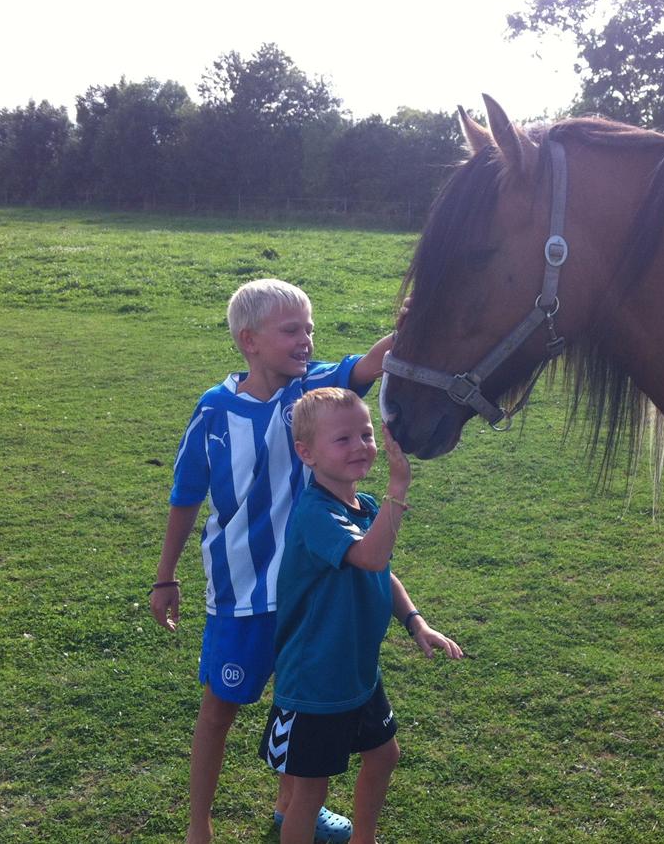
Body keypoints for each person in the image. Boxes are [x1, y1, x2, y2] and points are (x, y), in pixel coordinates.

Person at [150, 278, 396, 844]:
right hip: (240, 592)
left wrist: (408, 326)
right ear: (249, 340)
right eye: (292, 330)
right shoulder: (213, 412)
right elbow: (186, 496)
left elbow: (369, 367)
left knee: (302, 705)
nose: (306, 339)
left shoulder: (310, 392)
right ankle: (199, 825)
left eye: (309, 327)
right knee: (220, 709)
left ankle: (291, 807)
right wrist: (165, 576)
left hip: (309, 594)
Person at [259, 387, 462, 844]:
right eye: (343, 439)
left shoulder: (363, 507)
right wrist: (398, 489)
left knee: (384, 756)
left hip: (357, 674)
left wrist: (415, 622)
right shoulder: (314, 513)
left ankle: (362, 838)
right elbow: (370, 557)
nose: (360, 447)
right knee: (309, 795)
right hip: (313, 683)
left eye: (366, 434)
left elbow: (382, 573)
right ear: (306, 453)